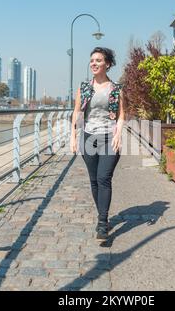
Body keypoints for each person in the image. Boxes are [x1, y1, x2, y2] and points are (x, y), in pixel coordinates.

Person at [70, 47, 125, 242]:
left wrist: (118, 133)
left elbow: (121, 115)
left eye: (98, 60)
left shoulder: (116, 88)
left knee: (104, 178)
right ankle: (103, 215)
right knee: (94, 180)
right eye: (92, 60)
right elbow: (77, 113)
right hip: (88, 137)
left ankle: (102, 223)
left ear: (107, 64)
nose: (94, 63)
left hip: (109, 137)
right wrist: (73, 137)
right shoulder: (84, 87)